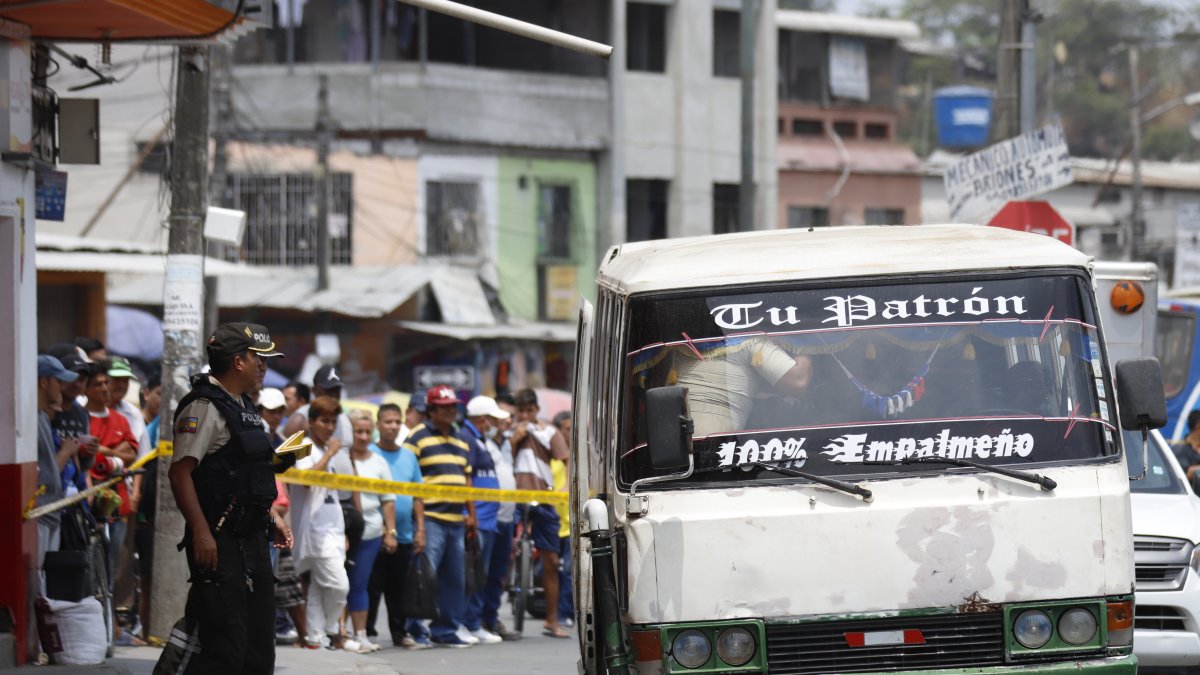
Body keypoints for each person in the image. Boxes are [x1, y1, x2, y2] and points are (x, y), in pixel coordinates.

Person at [160, 323, 291, 673]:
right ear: (238, 361)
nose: (263, 366)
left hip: (252, 539)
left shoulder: (244, 406)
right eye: (258, 358)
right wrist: (201, 531)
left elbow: (248, 474)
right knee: (225, 647)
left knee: (259, 648)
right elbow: (180, 473)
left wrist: (271, 517)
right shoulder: (204, 406)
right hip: (219, 541)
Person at [404, 386, 477, 648]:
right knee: (424, 576)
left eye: (453, 406)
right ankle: (414, 628)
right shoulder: (417, 437)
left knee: (454, 579)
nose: (451, 411)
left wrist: (471, 513)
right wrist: (420, 525)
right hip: (431, 518)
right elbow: (409, 481)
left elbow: (466, 478)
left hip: (456, 521)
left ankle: (445, 630)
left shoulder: (460, 440)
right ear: (431, 410)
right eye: (445, 407)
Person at [290, 395, 359, 652]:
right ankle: (332, 628)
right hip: (314, 532)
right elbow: (307, 480)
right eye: (324, 421)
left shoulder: (328, 450)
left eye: (332, 422)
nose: (329, 427)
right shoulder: (304, 446)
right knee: (340, 585)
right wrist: (330, 453)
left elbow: (332, 496)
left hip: (333, 528)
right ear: (311, 422)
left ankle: (315, 637)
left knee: (321, 585)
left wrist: (341, 531)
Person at [366, 403, 429, 649]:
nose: (392, 426)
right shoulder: (368, 453)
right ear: (378, 425)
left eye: (396, 422)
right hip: (374, 532)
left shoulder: (409, 456)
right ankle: (366, 632)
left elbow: (418, 496)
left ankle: (400, 633)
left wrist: (420, 529)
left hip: (404, 533)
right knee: (372, 586)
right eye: (388, 421)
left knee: (399, 589)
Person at [511, 388, 571, 639]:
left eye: (529, 410)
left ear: (536, 410)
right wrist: (515, 438)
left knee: (551, 561)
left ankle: (552, 620)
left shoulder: (550, 431)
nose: (525, 415)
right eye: (521, 411)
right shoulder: (508, 432)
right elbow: (504, 457)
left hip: (544, 500)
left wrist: (566, 486)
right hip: (513, 499)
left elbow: (566, 460)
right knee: (505, 546)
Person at [674, 337, 812, 437]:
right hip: (711, 447)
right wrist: (805, 343)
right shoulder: (749, 340)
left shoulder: (678, 341)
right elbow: (798, 381)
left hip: (670, 442)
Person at [459, 396, 511, 644]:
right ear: (482, 419)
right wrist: (470, 514)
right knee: (474, 575)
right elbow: (465, 479)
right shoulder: (467, 439)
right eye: (491, 419)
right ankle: (469, 622)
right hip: (478, 518)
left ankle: (473, 621)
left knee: (481, 574)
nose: (493, 424)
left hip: (489, 519)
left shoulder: (480, 440)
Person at [344, 409, 396, 652]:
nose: (363, 437)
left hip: (371, 533)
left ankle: (361, 634)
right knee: (338, 584)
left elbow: (388, 500)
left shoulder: (378, 462)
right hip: (343, 532)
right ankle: (339, 632)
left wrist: (390, 531)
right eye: (358, 431)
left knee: (359, 584)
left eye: (367, 432)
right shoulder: (341, 459)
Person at [481, 393, 520, 640]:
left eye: (510, 417)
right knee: (481, 572)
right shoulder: (481, 441)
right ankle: (476, 621)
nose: (506, 421)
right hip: (488, 517)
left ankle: (491, 619)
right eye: (501, 417)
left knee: (498, 574)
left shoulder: (506, 442)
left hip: (507, 517)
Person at [36, 355, 80, 572]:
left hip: (51, 512)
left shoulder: (42, 418)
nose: (63, 387)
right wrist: (66, 451)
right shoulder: (32, 419)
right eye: (58, 380)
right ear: (44, 382)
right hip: (38, 513)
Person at [283, 365, 352, 446]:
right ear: (314, 390)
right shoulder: (299, 420)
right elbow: (285, 456)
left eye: (336, 390)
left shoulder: (346, 418)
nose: (333, 396)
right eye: (328, 391)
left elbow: (351, 454)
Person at [551, 410, 574, 628]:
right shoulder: (552, 459)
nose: (570, 433)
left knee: (568, 571)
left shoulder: (575, 460)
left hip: (569, 526)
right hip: (551, 522)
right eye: (566, 429)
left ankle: (565, 613)